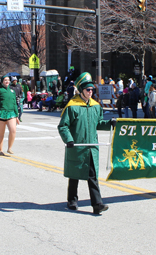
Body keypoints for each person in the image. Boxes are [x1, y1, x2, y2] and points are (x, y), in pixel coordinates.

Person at [58, 72, 115, 215]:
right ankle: (72, 201)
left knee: (92, 176)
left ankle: (97, 205)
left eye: (92, 90)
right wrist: (69, 139)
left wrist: (111, 124)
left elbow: (98, 123)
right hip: (76, 147)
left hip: (91, 148)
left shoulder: (96, 106)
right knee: (74, 175)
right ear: (81, 90)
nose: (90, 92)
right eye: (87, 90)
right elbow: (63, 126)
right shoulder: (72, 106)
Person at [0, 75, 19, 155]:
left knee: (13, 130)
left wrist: (17, 115)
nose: (7, 81)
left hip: (11, 113)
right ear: (2, 82)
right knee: (1, 133)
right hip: (0, 113)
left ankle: (9, 148)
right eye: (5, 80)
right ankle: (0, 150)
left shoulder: (12, 91)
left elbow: (15, 104)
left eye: (8, 80)